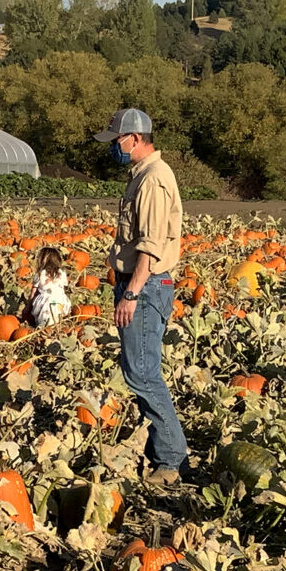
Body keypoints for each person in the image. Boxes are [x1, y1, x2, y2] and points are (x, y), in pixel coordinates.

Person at [94, 108, 188, 486]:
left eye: (117, 141)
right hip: (141, 284)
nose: (114, 148)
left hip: (146, 287)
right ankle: (161, 450)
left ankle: (171, 460)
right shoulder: (142, 175)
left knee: (144, 374)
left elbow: (149, 247)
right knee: (139, 371)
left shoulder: (153, 179)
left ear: (134, 138)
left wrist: (131, 292)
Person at [28, 247, 72, 327]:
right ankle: (58, 325)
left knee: (44, 321)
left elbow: (33, 293)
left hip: (46, 303)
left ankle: (43, 327)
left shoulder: (40, 274)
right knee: (57, 318)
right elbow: (64, 288)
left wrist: (28, 307)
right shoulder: (62, 273)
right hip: (59, 301)